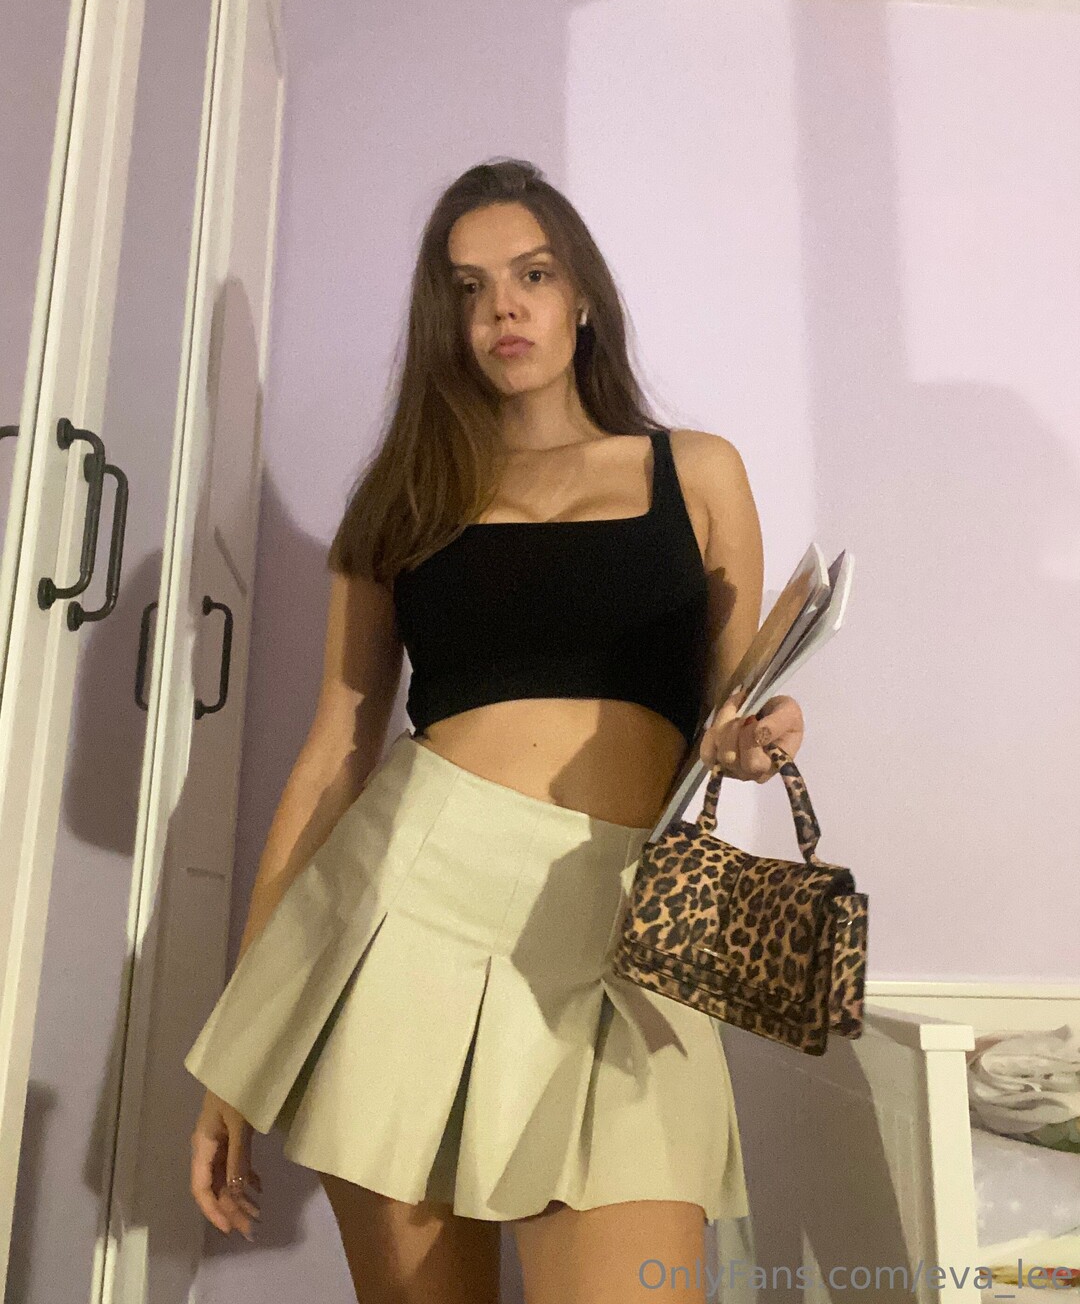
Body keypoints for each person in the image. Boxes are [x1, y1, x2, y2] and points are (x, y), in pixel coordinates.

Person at [186, 158, 805, 1304]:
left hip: (628, 922)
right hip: (414, 906)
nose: (501, 309)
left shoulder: (699, 472)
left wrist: (760, 734)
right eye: (467, 288)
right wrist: (239, 1041)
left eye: (532, 274)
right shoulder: (404, 495)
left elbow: (732, 709)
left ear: (583, 296)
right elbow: (336, 749)